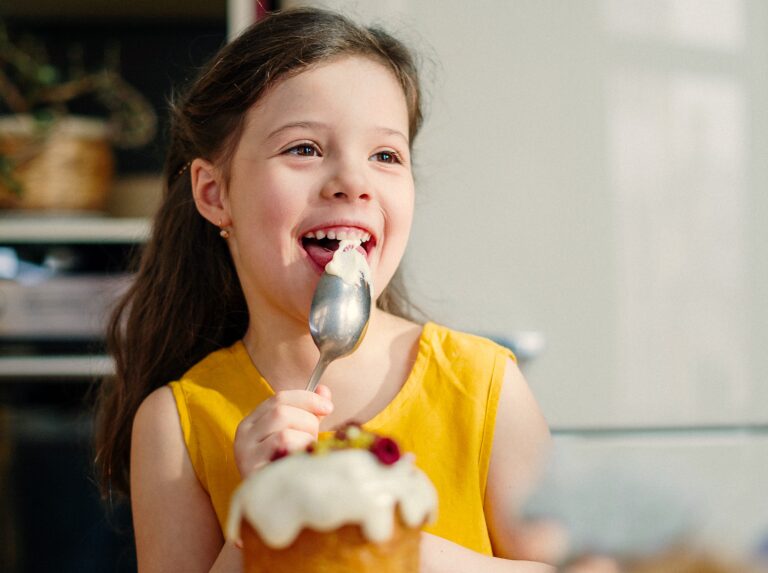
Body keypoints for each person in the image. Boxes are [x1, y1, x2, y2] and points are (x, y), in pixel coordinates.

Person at [93, 7, 553, 573]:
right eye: (305, 149)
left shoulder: (484, 385)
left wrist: (394, 544)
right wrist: (262, 520)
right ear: (214, 194)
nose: (354, 183)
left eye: (385, 155)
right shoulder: (176, 424)